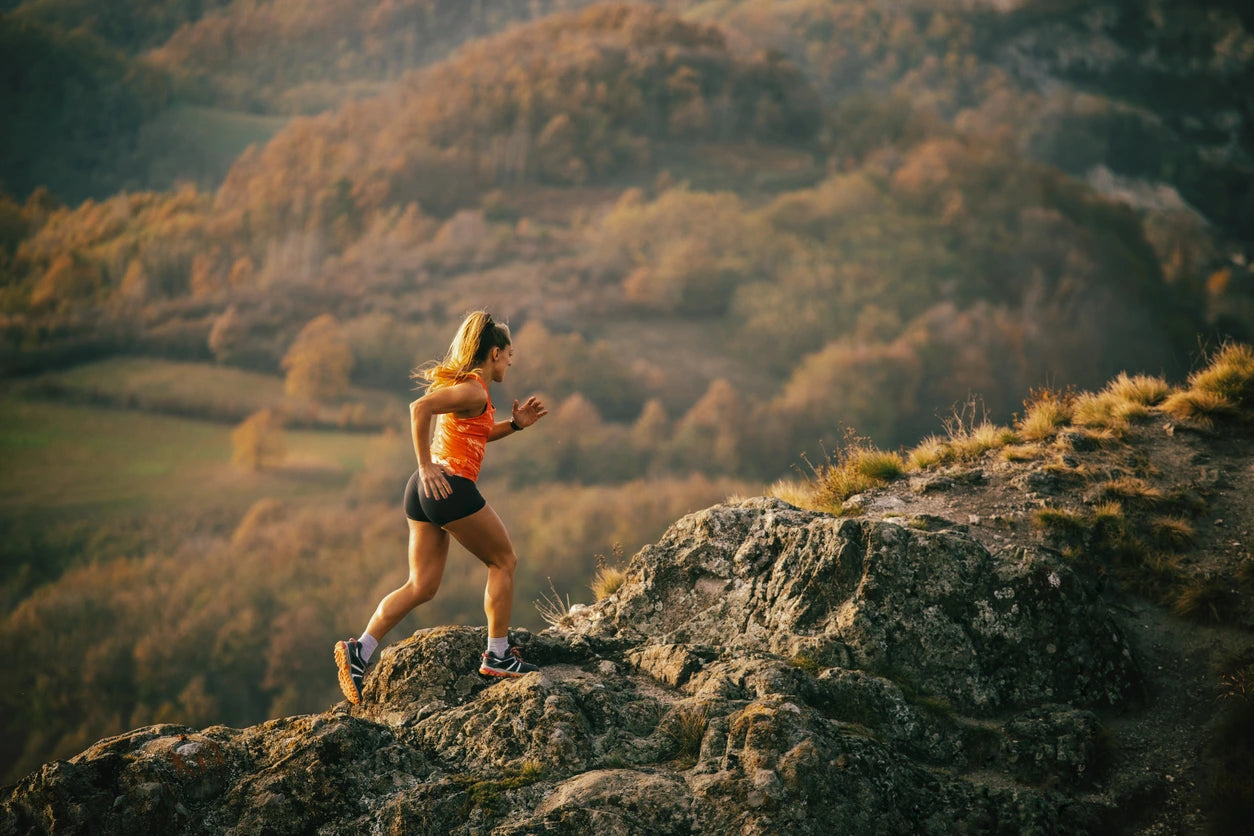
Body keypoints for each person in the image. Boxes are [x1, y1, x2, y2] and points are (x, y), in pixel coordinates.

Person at [334, 311, 548, 704]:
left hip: (423, 491)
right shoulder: (475, 390)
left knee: (422, 585)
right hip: (447, 484)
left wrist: (514, 425)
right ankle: (498, 655)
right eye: (509, 354)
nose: (512, 362)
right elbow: (419, 409)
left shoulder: (473, 391)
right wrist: (425, 463)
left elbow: (476, 435)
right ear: (495, 352)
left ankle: (360, 650)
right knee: (504, 561)